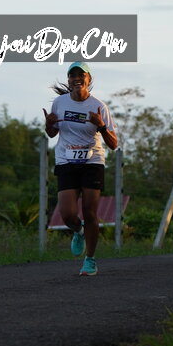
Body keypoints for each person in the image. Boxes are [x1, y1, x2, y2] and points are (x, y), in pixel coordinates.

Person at [43, 61, 117, 276]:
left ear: (89, 79)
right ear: (68, 80)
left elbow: (113, 144)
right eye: (72, 75)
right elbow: (52, 133)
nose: (77, 79)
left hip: (92, 161)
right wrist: (48, 124)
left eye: (81, 75)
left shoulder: (99, 106)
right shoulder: (59, 103)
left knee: (90, 212)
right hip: (66, 160)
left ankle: (90, 260)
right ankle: (78, 230)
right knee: (67, 214)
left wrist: (101, 125)